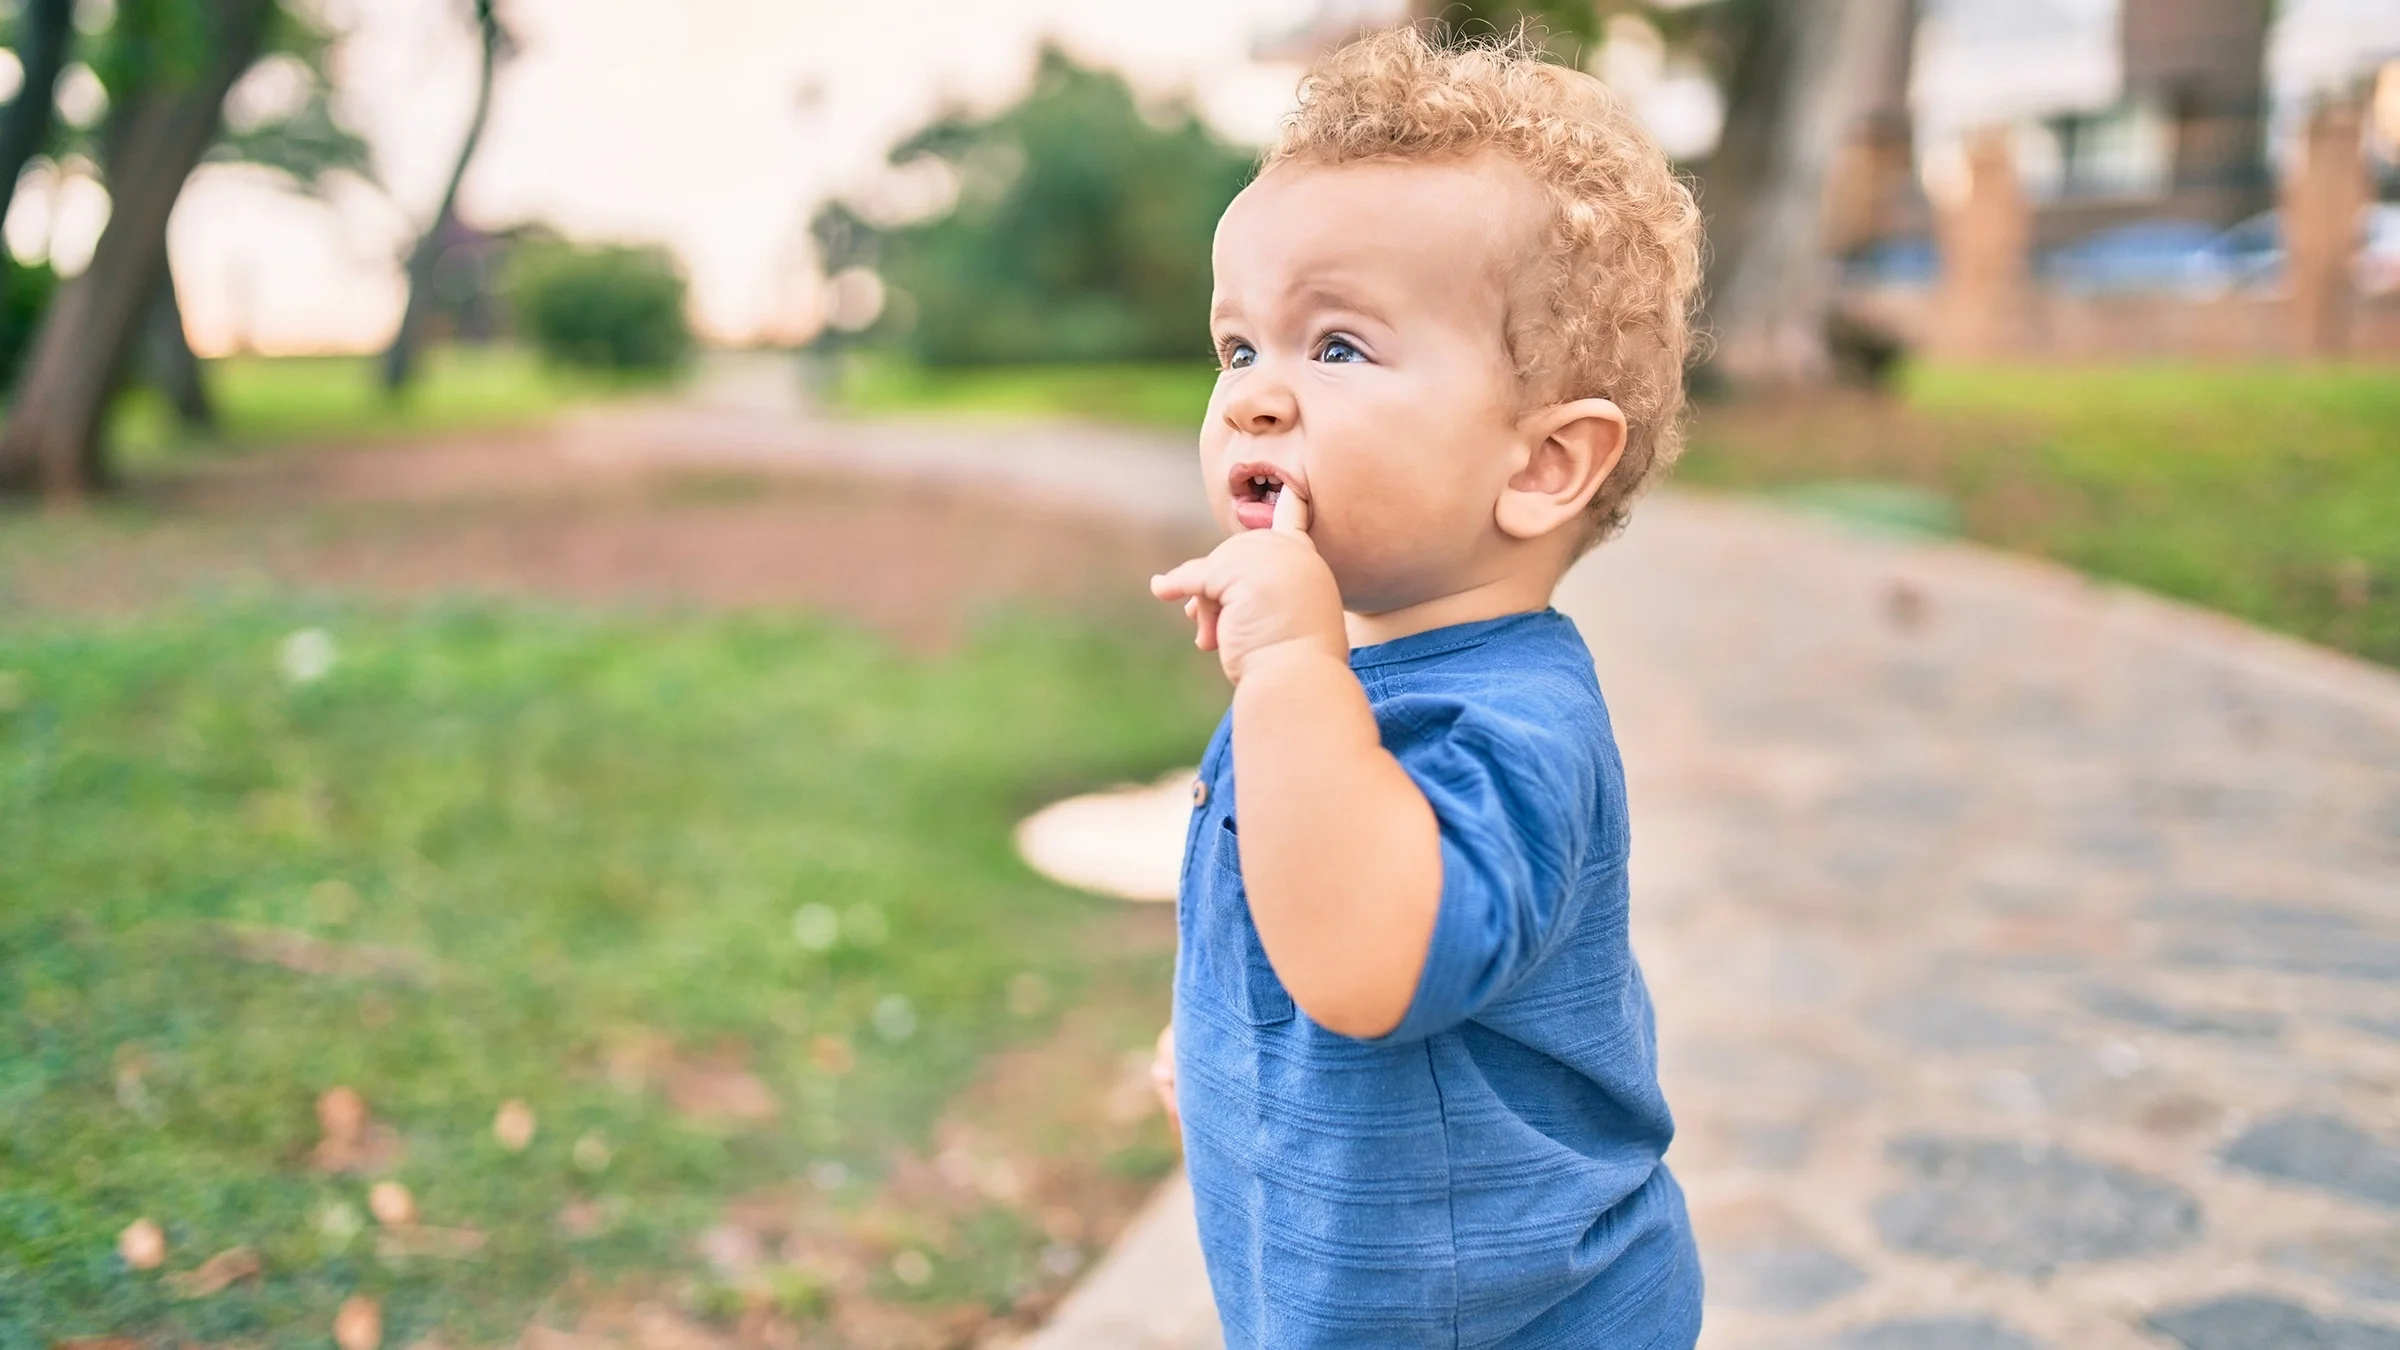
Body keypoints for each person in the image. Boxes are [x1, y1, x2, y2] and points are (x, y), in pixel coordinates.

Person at [1144, 24, 1705, 1349]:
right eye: (1236, 348)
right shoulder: (1353, 664)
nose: (1256, 400)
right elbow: (1290, 921)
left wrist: (1287, 661)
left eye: (1336, 347)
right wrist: (1233, 1064)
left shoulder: (1515, 721)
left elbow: (1363, 960)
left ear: (1542, 464)